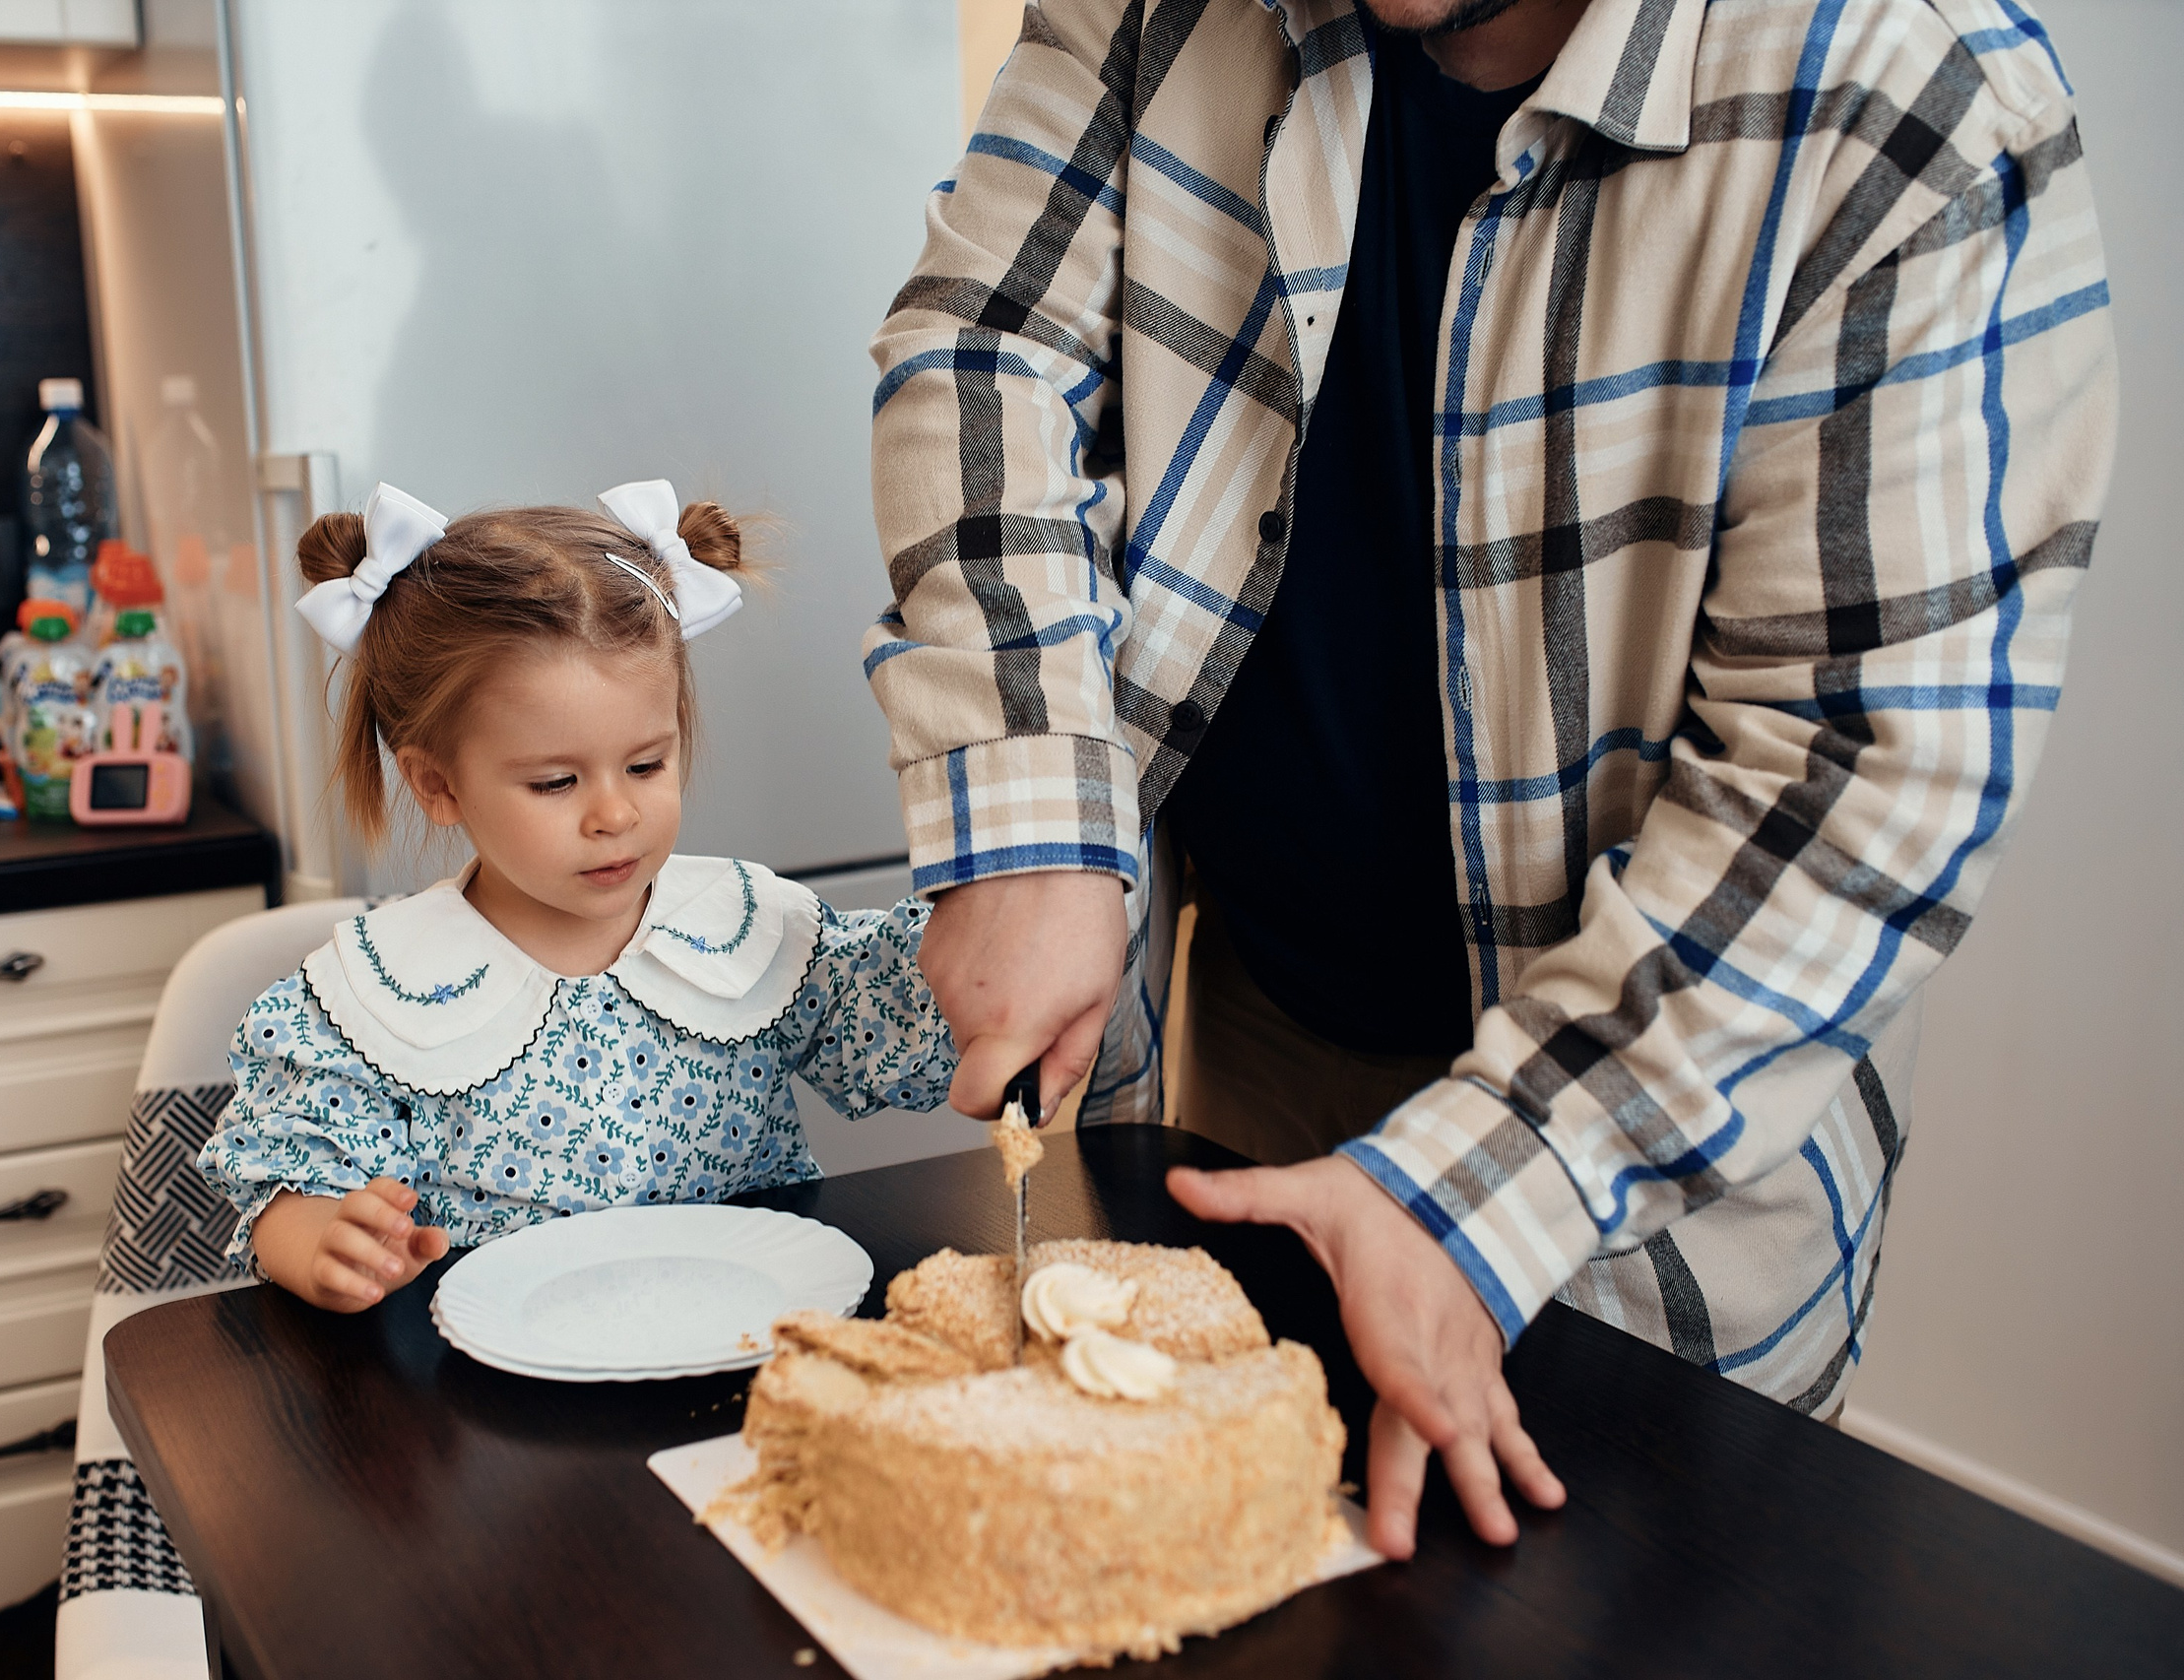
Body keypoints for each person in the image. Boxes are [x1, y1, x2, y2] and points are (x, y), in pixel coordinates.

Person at [864, 0, 2113, 1561]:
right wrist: (1034, 806)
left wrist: (1491, 1188)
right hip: (1256, 1027)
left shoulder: (1908, 88)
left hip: (1644, 1140)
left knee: (1605, 1596)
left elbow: (1850, 788)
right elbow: (982, 348)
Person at [199, 482, 956, 1310]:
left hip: (752, 1346)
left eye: (647, 764)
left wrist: (977, 924)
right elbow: (284, 1175)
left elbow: (908, 1027)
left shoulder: (745, 928)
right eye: (556, 781)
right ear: (437, 785)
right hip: (505, 1404)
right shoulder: (380, 992)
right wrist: (325, 1241)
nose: (615, 814)